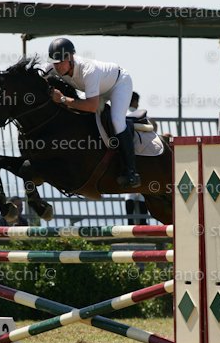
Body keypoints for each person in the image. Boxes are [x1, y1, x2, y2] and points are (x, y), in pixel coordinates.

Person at [44, 37, 140, 188]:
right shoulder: (52, 68)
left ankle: (131, 172)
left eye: (61, 62)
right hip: (97, 90)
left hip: (118, 84)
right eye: (55, 62)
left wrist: (62, 99)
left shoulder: (88, 70)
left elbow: (91, 106)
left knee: (116, 120)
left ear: (70, 58)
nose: (58, 66)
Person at [124, 92, 148, 224]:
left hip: (125, 154)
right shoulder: (139, 114)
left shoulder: (121, 113)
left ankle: (130, 223)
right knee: (142, 191)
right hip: (141, 154)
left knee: (129, 192)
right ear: (134, 102)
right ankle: (143, 222)